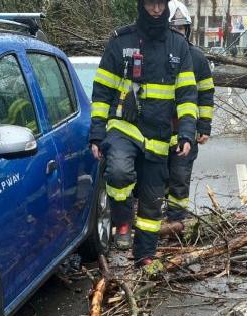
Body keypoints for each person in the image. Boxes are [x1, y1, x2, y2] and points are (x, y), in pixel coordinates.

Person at [89, 0, 198, 267]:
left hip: (159, 136)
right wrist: (96, 133)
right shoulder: (120, 42)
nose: (157, 10)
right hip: (124, 127)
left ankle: (145, 257)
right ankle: (122, 221)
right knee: (118, 171)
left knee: (151, 203)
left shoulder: (178, 46)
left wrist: (186, 133)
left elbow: (186, 96)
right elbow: (102, 91)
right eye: (151, 4)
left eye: (161, 4)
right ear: (141, 5)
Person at [162, 1, 212, 233]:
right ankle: (154, 219)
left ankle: (175, 221)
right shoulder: (156, 54)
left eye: (182, 28)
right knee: (156, 177)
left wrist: (204, 126)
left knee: (180, 177)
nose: (178, 33)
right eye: (174, 28)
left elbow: (206, 93)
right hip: (157, 130)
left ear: (188, 30)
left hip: (185, 129)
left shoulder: (197, 58)